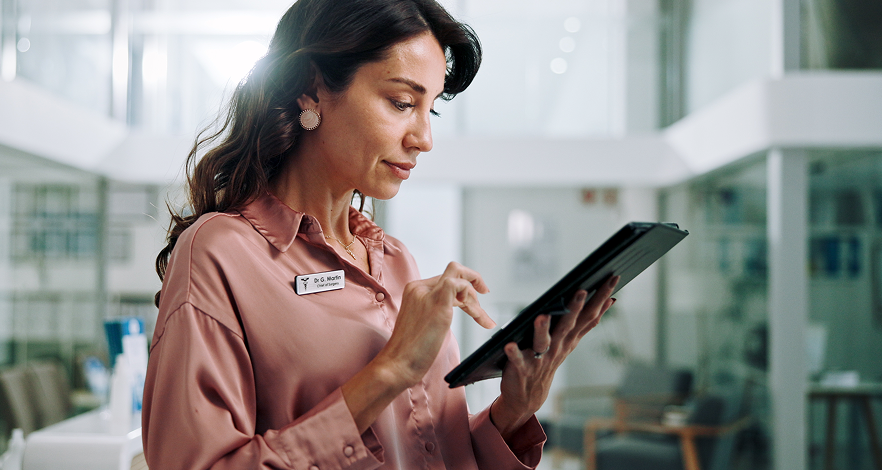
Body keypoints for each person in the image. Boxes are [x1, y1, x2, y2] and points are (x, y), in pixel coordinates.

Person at [141, 0, 619, 468]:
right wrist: (389, 372)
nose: (423, 138)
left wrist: (511, 413)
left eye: (429, 111)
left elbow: (428, 447)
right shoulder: (218, 254)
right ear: (312, 88)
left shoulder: (397, 262)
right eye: (402, 102)